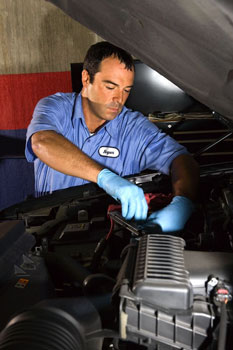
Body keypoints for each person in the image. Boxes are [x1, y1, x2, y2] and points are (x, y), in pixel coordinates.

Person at [25, 41, 199, 233]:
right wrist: (106, 178)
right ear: (86, 79)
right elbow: (41, 142)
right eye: (110, 87)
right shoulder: (55, 107)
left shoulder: (133, 127)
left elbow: (181, 159)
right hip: (47, 231)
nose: (119, 99)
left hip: (108, 233)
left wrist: (182, 203)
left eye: (126, 90)